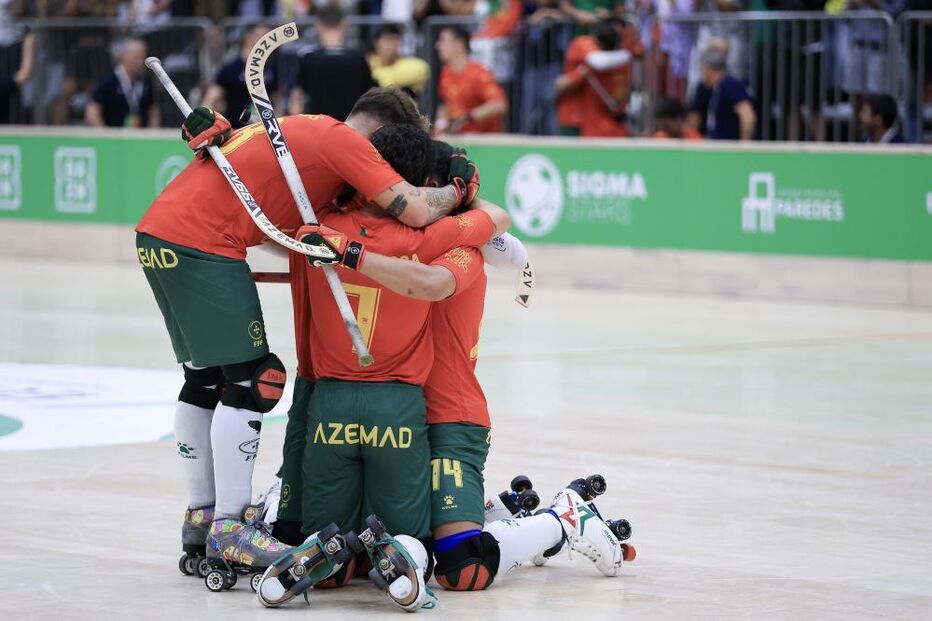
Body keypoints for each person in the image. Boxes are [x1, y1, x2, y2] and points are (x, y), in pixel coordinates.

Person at [137, 88, 477, 586]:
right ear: (377, 141)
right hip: (206, 240)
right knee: (258, 379)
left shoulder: (293, 134)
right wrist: (459, 192)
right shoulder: (346, 145)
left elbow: (282, 226)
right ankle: (231, 526)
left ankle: (203, 517)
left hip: (160, 233)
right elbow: (418, 213)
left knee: (205, 378)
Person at [256, 124, 500, 610]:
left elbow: (258, 219)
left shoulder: (320, 223)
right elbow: (495, 219)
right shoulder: (434, 234)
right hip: (339, 396)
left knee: (463, 562)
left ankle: (549, 522)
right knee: (347, 553)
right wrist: (459, 193)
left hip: (439, 407)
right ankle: (286, 511)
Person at [288, 5, 376, 120]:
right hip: (350, 130)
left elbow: (296, 100)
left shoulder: (308, 59)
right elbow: (370, 98)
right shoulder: (358, 59)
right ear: (344, 26)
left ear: (318, 26)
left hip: (319, 130)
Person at [555, 21, 635, 137]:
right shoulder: (582, 44)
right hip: (574, 118)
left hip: (603, 122)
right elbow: (597, 61)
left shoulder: (620, 62)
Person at [434, 26, 508, 135]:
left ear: (459, 44)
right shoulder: (446, 72)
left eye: (443, 40)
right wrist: (440, 125)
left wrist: (468, 117)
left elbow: (499, 104)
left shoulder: (479, 74)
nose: (438, 45)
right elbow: (444, 104)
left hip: (484, 140)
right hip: (459, 140)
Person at [201, 25, 277, 128]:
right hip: (236, 130)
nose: (267, 42)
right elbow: (212, 97)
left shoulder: (270, 68)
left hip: (262, 130)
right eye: (262, 37)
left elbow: (276, 98)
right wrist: (203, 122)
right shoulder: (232, 68)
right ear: (249, 38)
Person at [86, 37, 160, 128]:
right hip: (113, 135)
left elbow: (152, 110)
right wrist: (103, 135)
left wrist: (153, 133)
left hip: (140, 137)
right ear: (123, 56)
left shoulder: (146, 81)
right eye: (136, 57)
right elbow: (93, 110)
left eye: (143, 57)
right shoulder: (108, 80)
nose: (141, 61)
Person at [689, 45, 755, 141]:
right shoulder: (715, 88)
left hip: (730, 148)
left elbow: (748, 116)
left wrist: (744, 146)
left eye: (702, 70)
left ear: (708, 69)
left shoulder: (731, 84)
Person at [368, 23, 430, 97]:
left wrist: (377, 78)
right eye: (388, 40)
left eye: (396, 40)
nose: (392, 45)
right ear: (377, 43)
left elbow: (423, 69)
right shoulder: (370, 62)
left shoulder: (411, 65)